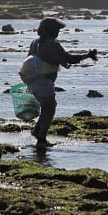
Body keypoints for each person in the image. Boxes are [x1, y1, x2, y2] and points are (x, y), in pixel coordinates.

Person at [27, 17, 97, 148]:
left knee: (46, 107)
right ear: (51, 31)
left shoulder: (34, 42)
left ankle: (37, 131)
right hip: (44, 82)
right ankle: (41, 139)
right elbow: (69, 59)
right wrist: (87, 55)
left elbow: (28, 60)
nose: (58, 32)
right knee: (50, 108)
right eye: (57, 30)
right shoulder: (52, 44)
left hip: (32, 82)